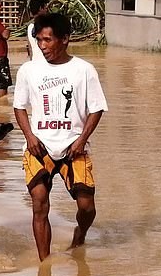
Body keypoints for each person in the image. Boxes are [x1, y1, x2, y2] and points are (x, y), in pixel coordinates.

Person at [13, 13, 108, 261]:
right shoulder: (28, 70)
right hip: (39, 147)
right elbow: (19, 107)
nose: (42, 46)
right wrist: (30, 137)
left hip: (73, 146)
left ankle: (80, 234)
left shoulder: (84, 70)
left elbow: (96, 108)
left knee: (87, 207)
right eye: (39, 41)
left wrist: (81, 140)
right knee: (39, 202)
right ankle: (45, 266)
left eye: (47, 40)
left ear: (65, 39)